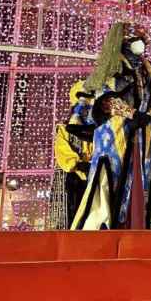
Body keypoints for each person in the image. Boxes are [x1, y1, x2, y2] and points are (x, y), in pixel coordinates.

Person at [72, 23, 151, 230]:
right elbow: (105, 99)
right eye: (136, 40)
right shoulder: (113, 66)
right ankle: (104, 227)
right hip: (114, 131)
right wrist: (132, 113)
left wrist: (150, 114)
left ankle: (136, 224)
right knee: (111, 177)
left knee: (142, 176)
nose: (141, 44)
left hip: (142, 131)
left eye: (143, 40)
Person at [51, 80, 94, 229]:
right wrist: (77, 164)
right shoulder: (64, 129)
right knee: (71, 212)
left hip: (93, 175)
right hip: (72, 176)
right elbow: (62, 150)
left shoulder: (96, 129)